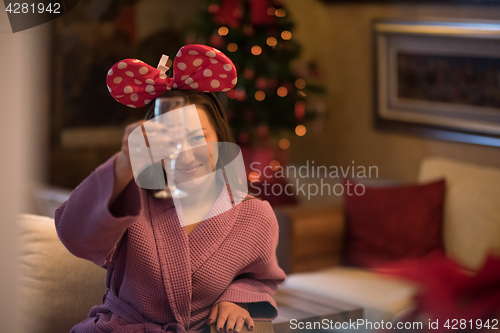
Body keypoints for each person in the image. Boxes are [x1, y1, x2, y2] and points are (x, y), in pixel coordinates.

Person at [55, 44, 286, 333]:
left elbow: (260, 279)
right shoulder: (130, 199)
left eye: (198, 138)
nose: (186, 155)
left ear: (220, 136)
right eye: (172, 143)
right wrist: (124, 164)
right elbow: (75, 233)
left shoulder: (255, 216)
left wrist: (236, 299)